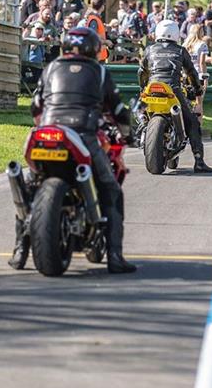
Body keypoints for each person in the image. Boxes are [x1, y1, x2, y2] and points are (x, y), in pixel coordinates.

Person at [28, 27, 136, 274]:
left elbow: (35, 107)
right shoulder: (99, 72)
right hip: (83, 135)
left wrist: (46, 124)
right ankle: (115, 257)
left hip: (47, 133)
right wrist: (127, 134)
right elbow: (119, 111)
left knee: (31, 185)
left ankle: (19, 249)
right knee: (111, 190)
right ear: (94, 48)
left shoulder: (50, 68)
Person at [138, 20, 212, 173]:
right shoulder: (180, 50)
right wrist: (197, 89)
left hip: (151, 88)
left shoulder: (149, 50)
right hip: (172, 89)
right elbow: (192, 72)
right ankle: (199, 161)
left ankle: (142, 130)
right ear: (176, 34)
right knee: (192, 121)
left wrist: (143, 87)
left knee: (141, 114)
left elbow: (141, 72)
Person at [183, 23, 210, 123]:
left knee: (186, 100)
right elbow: (202, 63)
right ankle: (198, 125)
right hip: (197, 74)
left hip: (185, 75)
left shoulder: (185, 44)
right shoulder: (202, 44)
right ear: (199, 32)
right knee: (199, 101)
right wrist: (205, 78)